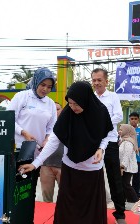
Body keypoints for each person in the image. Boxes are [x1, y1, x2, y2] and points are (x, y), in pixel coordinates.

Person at [19, 81, 113, 224]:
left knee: (90, 213)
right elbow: (53, 141)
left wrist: (101, 148)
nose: (72, 107)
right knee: (69, 212)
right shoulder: (68, 115)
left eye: (76, 104)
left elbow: (108, 133)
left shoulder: (100, 112)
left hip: (92, 172)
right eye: (70, 103)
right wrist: (35, 164)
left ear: (85, 100)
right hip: (70, 170)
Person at [6, 67, 57, 221]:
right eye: (43, 85)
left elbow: (52, 127)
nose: (45, 89)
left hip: (35, 154)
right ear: (36, 82)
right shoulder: (22, 97)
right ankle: (12, 218)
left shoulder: (50, 104)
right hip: (17, 151)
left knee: (29, 189)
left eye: (49, 87)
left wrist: (48, 138)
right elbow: (8, 119)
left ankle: (27, 219)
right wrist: (23, 132)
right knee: (14, 188)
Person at [91, 68, 126, 224]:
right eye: (94, 80)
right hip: (93, 143)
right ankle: (94, 210)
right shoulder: (90, 98)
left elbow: (118, 115)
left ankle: (120, 214)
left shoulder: (113, 96)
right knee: (92, 177)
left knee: (114, 179)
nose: (96, 83)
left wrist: (102, 125)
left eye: (99, 80)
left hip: (110, 143)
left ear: (106, 81)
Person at [39, 102, 63, 202]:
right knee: (46, 198)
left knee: (65, 197)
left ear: (62, 110)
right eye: (53, 109)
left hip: (63, 166)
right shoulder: (43, 126)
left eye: (57, 109)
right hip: (46, 165)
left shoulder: (68, 124)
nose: (55, 111)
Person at [118, 124, 139, 203]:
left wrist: (122, 167)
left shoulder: (128, 142)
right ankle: (127, 200)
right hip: (125, 166)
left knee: (125, 184)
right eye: (119, 129)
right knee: (123, 184)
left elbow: (127, 155)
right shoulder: (123, 140)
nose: (119, 131)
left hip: (127, 167)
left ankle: (135, 200)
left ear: (127, 131)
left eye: (121, 130)